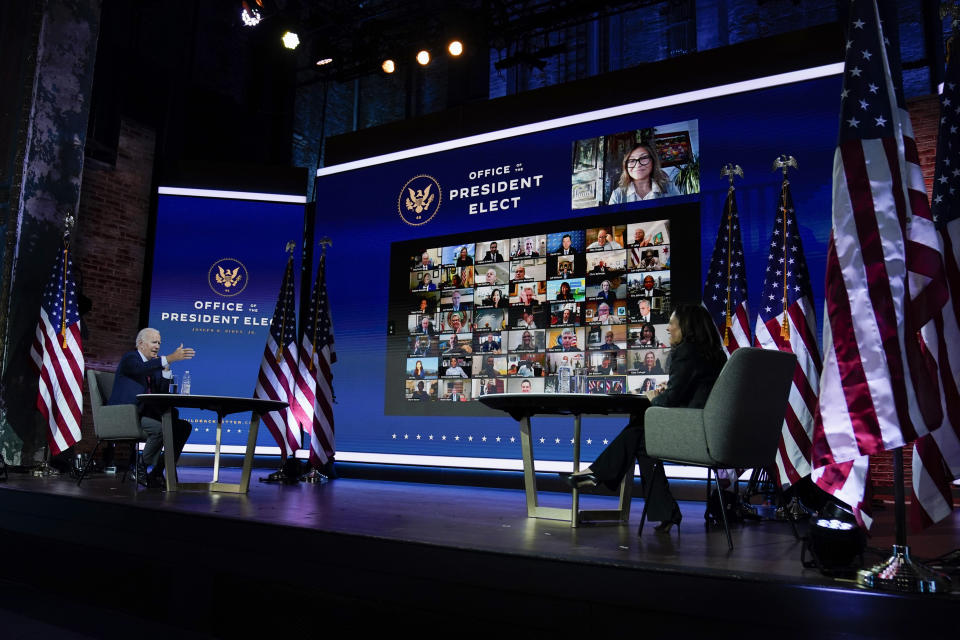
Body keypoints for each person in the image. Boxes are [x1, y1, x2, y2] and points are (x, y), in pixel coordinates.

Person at [567, 305, 727, 532]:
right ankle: (662, 510)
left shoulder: (686, 352)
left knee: (641, 428)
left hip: (695, 436)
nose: (669, 328)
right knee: (643, 437)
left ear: (687, 327)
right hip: (709, 431)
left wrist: (653, 397)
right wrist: (668, 391)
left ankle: (598, 473)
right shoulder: (714, 354)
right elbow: (694, 393)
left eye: (673, 323)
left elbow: (671, 400)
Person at [108, 328, 194, 489]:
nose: (157, 346)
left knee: (183, 427)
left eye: (159, 343)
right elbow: (139, 369)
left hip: (145, 414)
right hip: (127, 415)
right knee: (161, 429)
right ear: (140, 344)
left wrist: (166, 371)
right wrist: (169, 358)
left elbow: (160, 394)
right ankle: (140, 466)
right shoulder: (130, 358)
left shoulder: (153, 367)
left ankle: (158, 470)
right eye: (154, 342)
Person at [608, 142, 681, 204]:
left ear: (653, 162)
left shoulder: (670, 188)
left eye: (643, 158)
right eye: (632, 160)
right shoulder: (617, 195)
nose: (638, 165)